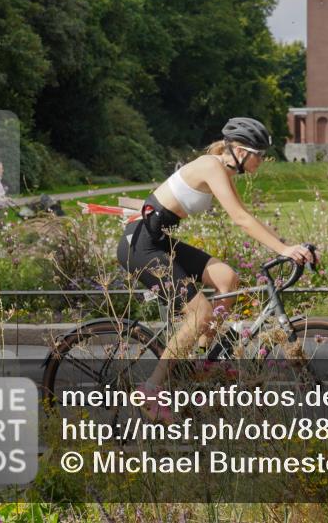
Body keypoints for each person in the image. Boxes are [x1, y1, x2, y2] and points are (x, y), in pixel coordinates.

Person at [117, 117, 315, 421]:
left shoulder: (221, 169)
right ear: (238, 150)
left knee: (228, 278)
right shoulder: (211, 166)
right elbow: (240, 218)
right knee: (200, 313)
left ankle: (203, 359)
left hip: (160, 240)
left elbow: (243, 216)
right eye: (258, 155)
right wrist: (285, 249)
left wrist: (285, 246)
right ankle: (151, 389)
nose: (261, 161)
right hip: (141, 246)